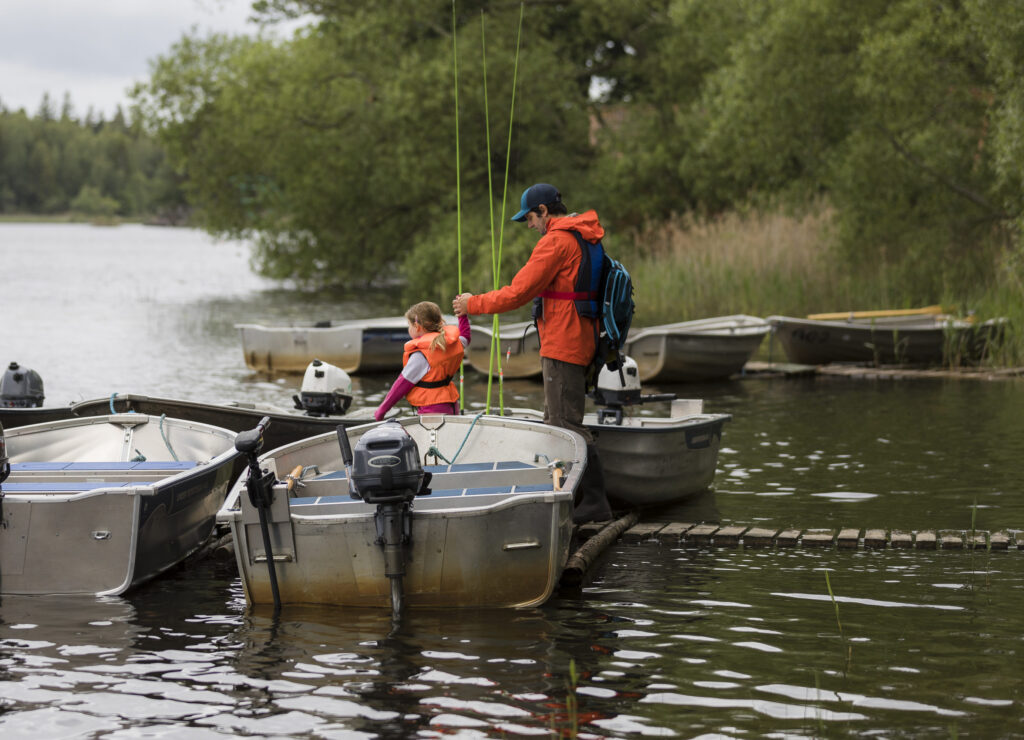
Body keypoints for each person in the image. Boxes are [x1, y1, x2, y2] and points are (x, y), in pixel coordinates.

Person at [452, 183, 614, 524]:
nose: (529, 226)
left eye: (529, 218)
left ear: (543, 211)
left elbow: (517, 292)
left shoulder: (556, 240)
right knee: (556, 422)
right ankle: (571, 497)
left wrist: (472, 304)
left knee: (565, 425)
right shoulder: (582, 235)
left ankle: (596, 502)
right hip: (578, 339)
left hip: (563, 344)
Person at [374, 301, 471, 421]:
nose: (408, 329)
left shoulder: (421, 354)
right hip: (452, 407)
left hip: (431, 411)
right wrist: (462, 315)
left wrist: (381, 410)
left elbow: (400, 386)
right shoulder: (451, 343)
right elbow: (465, 337)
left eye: (409, 325)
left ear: (417, 326)